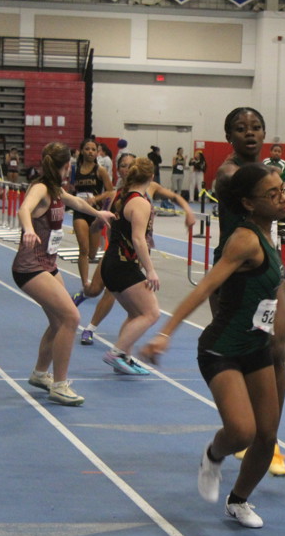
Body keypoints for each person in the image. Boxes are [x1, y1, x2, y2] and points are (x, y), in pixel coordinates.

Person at [141, 164, 285, 528]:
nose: (282, 198)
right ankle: (212, 454)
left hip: (256, 346)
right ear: (249, 204)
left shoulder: (269, 233)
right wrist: (165, 333)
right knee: (242, 431)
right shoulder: (245, 240)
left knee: (267, 436)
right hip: (222, 349)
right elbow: (205, 287)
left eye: (283, 190)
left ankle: (238, 501)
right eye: (272, 194)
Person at [209, 107, 285, 478]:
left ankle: (269, 438)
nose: (249, 133)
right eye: (240, 128)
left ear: (265, 134)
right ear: (229, 136)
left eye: (256, 127)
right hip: (233, 272)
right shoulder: (228, 174)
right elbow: (270, 203)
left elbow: (279, 207)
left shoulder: (268, 173)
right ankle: (240, 429)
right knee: (238, 354)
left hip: (268, 270)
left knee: (275, 348)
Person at [14, 142, 115, 406]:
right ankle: (59, 385)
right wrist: (28, 229)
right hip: (30, 267)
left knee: (59, 321)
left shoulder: (56, 190)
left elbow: (76, 202)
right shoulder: (40, 188)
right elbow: (24, 209)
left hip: (48, 265)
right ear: (66, 165)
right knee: (71, 317)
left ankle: (40, 374)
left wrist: (98, 212)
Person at [75, 151, 196, 346]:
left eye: (131, 165)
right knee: (95, 290)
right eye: (124, 165)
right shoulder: (116, 196)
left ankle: (94, 331)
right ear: (119, 170)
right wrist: (98, 225)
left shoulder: (150, 188)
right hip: (118, 252)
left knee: (121, 299)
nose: (127, 169)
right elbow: (98, 225)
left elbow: (175, 196)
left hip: (138, 254)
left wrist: (188, 211)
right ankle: (85, 296)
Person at [74, 158, 162, 375]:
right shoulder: (140, 203)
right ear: (151, 178)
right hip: (123, 265)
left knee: (135, 313)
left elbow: (98, 225)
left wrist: (97, 225)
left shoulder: (118, 196)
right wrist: (150, 270)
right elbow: (139, 239)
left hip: (110, 263)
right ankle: (116, 353)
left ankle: (124, 359)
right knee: (151, 313)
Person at [69, 138, 114, 291]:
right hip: (80, 212)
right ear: (82, 151)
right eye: (87, 149)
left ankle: (95, 277)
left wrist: (96, 198)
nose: (90, 152)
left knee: (92, 254)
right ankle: (85, 284)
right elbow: (71, 188)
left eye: (93, 149)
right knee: (83, 248)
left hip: (95, 213)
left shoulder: (100, 171)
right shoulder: (75, 169)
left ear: (97, 153)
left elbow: (110, 191)